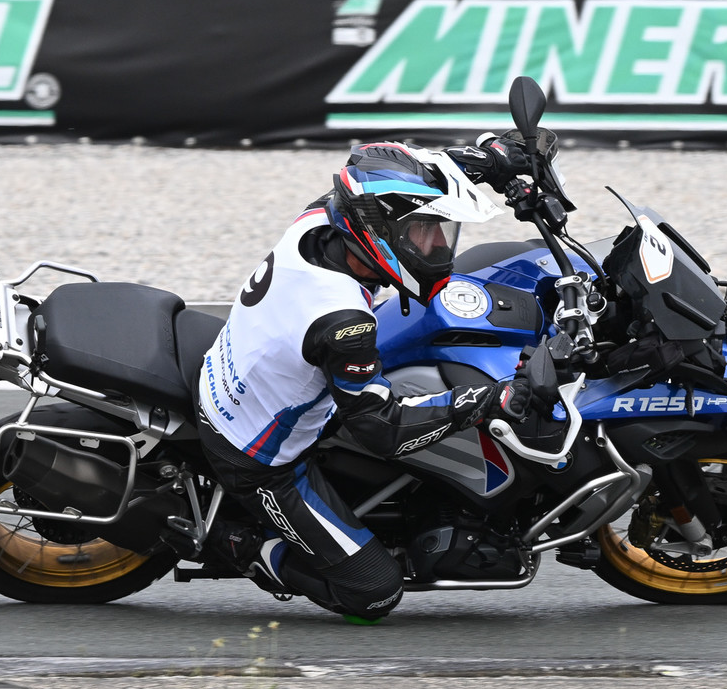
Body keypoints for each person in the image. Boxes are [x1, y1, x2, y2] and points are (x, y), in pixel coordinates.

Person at [195, 138, 533, 623]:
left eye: (440, 231)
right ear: (379, 232)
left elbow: (398, 179)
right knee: (374, 593)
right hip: (258, 456)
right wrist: (484, 400)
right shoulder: (343, 322)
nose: (439, 247)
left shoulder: (323, 217)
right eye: (423, 233)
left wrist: (490, 160)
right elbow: (384, 428)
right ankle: (243, 544)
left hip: (254, 371)